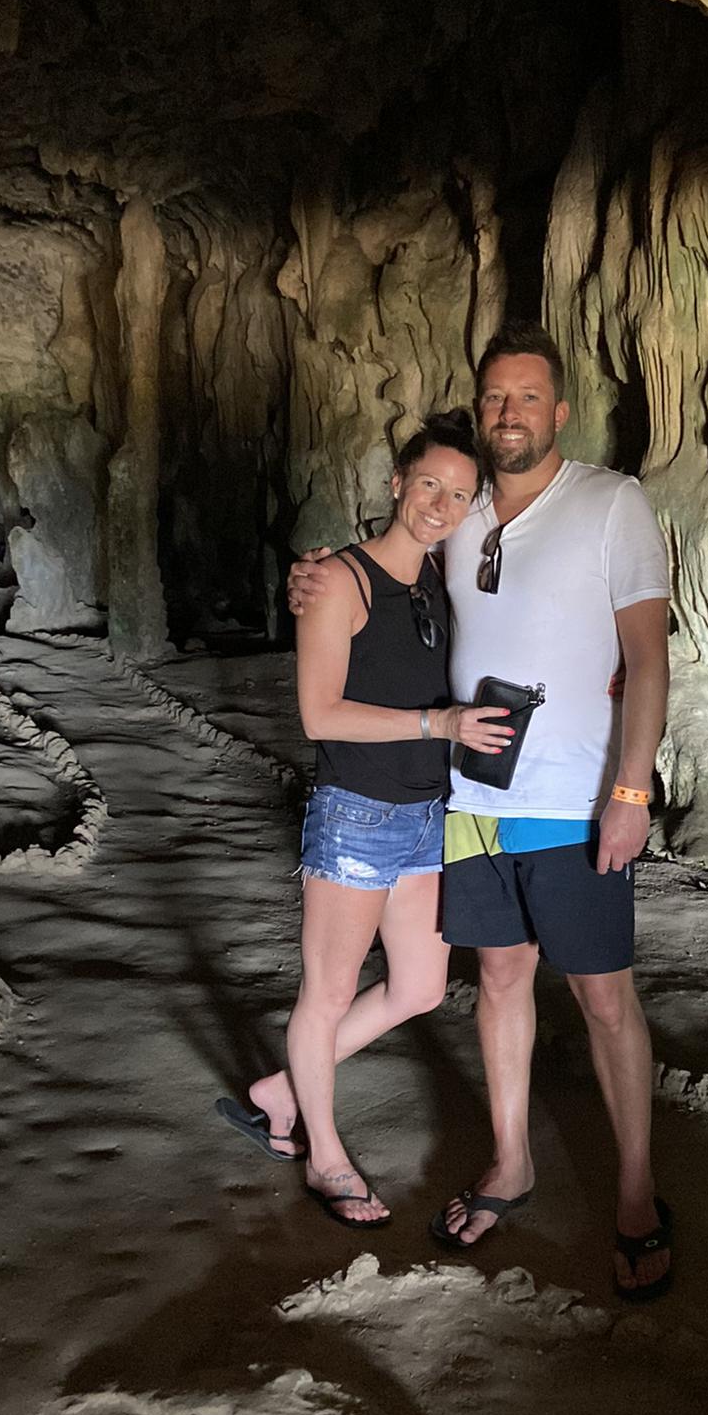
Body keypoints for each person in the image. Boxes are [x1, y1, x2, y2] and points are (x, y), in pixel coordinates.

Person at [291, 325, 673, 1299]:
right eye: (496, 397)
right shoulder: (461, 513)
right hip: (469, 802)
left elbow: (650, 655)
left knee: (601, 996)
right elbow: (382, 566)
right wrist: (317, 574)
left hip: (576, 799)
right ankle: (513, 1161)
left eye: (528, 397)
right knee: (498, 982)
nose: (510, 413)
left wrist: (631, 790)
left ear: (560, 409)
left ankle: (635, 1194)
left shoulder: (610, 503)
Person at [221, 411, 512, 1228]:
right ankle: (323, 1152)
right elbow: (319, 715)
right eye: (428, 484)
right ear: (396, 482)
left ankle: (278, 1089)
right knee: (329, 991)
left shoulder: (441, 580)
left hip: (428, 816)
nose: (440, 504)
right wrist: (438, 724)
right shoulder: (339, 582)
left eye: (458, 494)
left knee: (420, 985)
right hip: (355, 815)